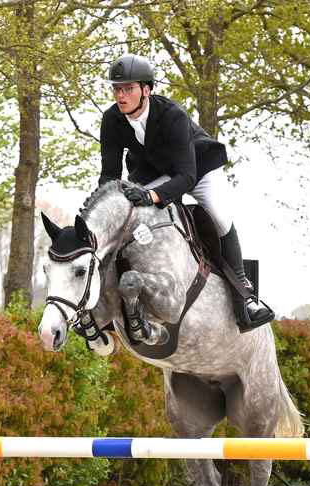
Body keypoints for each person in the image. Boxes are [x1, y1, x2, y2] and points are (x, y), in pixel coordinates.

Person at [98, 53, 274, 332]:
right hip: (154, 172)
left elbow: (186, 176)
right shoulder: (111, 119)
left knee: (218, 216)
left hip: (198, 168)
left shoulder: (172, 115)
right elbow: (109, 174)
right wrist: (108, 206)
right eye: (117, 89)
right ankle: (111, 300)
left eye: (128, 89)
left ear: (146, 90)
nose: (121, 96)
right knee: (127, 214)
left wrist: (152, 197)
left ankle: (245, 296)